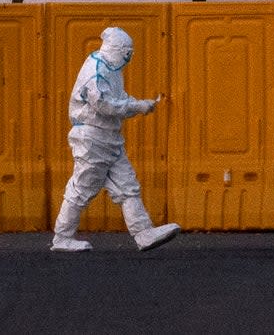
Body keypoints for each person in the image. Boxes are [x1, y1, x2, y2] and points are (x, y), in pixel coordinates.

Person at [51, 26, 181, 252]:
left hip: (108, 138)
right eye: (126, 52)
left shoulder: (110, 69)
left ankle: (143, 233)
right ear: (117, 50)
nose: (128, 57)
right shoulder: (97, 71)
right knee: (82, 187)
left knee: (127, 185)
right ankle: (62, 237)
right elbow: (105, 105)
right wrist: (137, 107)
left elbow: (117, 100)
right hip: (92, 138)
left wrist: (138, 105)